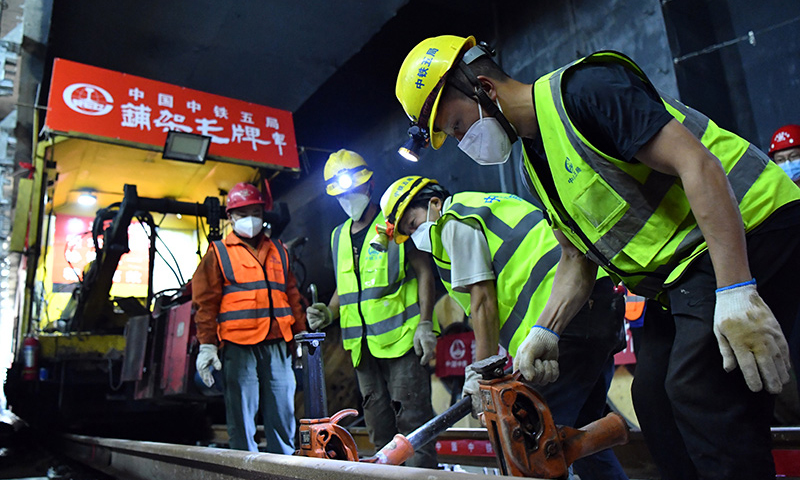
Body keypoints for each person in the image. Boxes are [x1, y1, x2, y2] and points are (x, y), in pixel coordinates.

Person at [394, 35, 800, 480]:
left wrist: (736, 288)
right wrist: (546, 330)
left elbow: (696, 164)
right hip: (682, 275)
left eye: (457, 126)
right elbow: (575, 258)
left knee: (699, 390)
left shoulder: (584, 92)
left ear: (485, 89)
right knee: (653, 401)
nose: (463, 142)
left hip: (753, 226)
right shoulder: (536, 165)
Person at [376, 175, 628, 480]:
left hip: (567, 318)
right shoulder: (482, 205)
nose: (416, 235)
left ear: (434, 203)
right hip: (594, 306)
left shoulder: (454, 220)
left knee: (531, 444)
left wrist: (480, 375)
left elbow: (482, 302)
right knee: (580, 438)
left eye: (413, 224)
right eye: (408, 233)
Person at [305, 149, 439, 468]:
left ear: (370, 185)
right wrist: (329, 311)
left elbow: (424, 271)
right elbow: (348, 285)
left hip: (403, 342)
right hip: (362, 350)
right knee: (379, 430)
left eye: (354, 189)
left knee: (413, 426)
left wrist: (425, 323)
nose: (349, 198)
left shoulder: (395, 221)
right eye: (342, 194)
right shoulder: (338, 236)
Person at [192, 182, 308, 453]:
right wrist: (207, 345)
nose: (250, 219)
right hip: (238, 346)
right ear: (231, 217)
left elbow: (292, 295)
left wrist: (301, 334)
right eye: (242, 214)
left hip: (278, 343)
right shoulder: (218, 253)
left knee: (283, 412)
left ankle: (283, 467)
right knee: (241, 417)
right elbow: (205, 304)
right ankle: (243, 467)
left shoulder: (279, 250)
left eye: (255, 212)